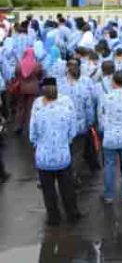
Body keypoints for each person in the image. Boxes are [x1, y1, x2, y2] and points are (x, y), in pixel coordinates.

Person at [29, 77, 85, 226]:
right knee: (67, 186)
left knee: (48, 190)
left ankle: (53, 217)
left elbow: (32, 135)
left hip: (44, 157)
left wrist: (38, 143)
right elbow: (72, 132)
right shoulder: (66, 110)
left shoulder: (38, 111)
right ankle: (72, 212)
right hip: (62, 155)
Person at [99, 71, 122, 204]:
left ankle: (109, 195)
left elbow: (102, 117)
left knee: (109, 165)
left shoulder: (106, 98)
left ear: (113, 82)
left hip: (110, 137)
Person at [14, 47, 42, 134]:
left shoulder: (19, 65)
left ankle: (18, 125)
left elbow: (16, 74)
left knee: (20, 107)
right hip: (33, 89)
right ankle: (30, 127)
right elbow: (40, 75)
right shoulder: (37, 65)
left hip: (21, 88)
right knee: (30, 108)